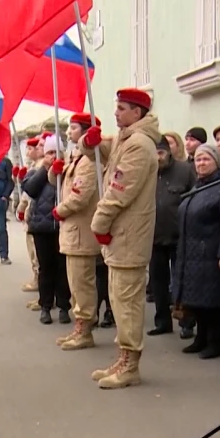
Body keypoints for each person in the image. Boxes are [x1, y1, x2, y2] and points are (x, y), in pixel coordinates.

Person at [89, 88, 160, 389]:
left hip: (130, 233)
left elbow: (120, 191)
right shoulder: (125, 138)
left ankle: (131, 364)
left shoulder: (140, 145)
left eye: (121, 108)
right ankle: (123, 356)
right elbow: (98, 150)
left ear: (137, 112)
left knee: (128, 301)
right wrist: (87, 141)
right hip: (121, 234)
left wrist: (99, 221)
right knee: (119, 298)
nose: (116, 113)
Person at [53, 113, 106, 349]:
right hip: (72, 231)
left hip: (81, 232)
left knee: (82, 284)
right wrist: (53, 172)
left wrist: (60, 210)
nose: (68, 132)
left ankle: (85, 330)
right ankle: (79, 327)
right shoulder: (75, 157)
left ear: (85, 131)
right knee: (75, 283)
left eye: (73, 128)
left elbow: (81, 195)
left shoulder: (88, 161)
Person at [174, 144, 220, 359]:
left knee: (213, 301)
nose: (201, 163)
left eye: (206, 159)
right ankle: (201, 338)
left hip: (211, 251)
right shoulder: (199, 185)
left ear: (217, 162)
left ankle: (215, 342)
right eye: (198, 160)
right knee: (197, 299)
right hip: (192, 251)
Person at [149, 134, 196, 336]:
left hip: (180, 236)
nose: (157, 157)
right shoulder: (147, 172)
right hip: (154, 236)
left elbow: (195, 197)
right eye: (154, 153)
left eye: (160, 153)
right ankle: (162, 322)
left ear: (168, 153)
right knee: (158, 282)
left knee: (182, 280)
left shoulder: (185, 170)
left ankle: (186, 323)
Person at [23, 135, 72, 325]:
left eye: (56, 152)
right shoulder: (37, 170)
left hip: (62, 226)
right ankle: (45, 305)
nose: (52, 156)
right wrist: (46, 170)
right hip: (41, 226)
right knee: (46, 268)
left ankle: (63, 307)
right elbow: (30, 189)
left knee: (62, 269)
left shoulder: (68, 169)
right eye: (49, 152)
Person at [17, 136, 41, 295]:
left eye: (31, 148)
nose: (28, 151)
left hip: (36, 215)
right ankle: (36, 278)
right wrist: (18, 177)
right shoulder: (34, 165)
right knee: (32, 251)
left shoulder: (40, 167)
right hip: (31, 214)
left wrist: (21, 206)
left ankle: (38, 281)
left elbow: (30, 193)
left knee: (36, 253)